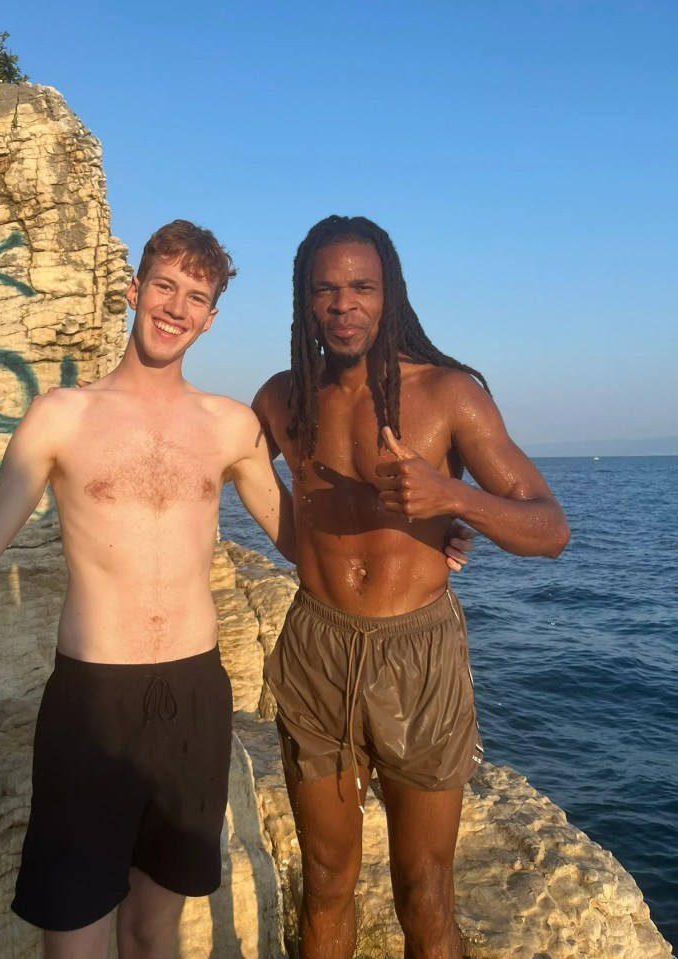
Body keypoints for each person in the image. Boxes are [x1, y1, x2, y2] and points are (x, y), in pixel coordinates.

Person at [0, 220, 300, 959]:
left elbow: (303, 543)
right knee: (72, 936)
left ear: (210, 317)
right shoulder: (61, 416)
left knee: (153, 929)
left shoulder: (229, 426)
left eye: (194, 296)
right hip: (91, 704)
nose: (175, 307)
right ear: (134, 291)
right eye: (164, 286)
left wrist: (421, 530)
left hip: (195, 700)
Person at [253, 215, 570, 959]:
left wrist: (451, 500)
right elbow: (210, 459)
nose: (343, 304)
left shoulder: (449, 394)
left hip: (416, 650)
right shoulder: (280, 398)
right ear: (303, 302)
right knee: (326, 879)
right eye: (324, 289)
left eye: (361, 286)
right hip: (317, 645)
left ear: (388, 294)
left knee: (423, 890)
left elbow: (550, 529)